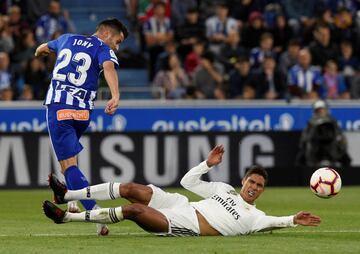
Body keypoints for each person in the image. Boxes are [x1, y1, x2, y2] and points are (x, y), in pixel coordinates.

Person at [43, 145, 321, 237]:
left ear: (262, 191)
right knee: (129, 188)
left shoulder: (255, 217)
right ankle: (67, 196)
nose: (254, 188)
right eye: (252, 182)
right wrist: (206, 164)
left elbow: (274, 222)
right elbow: (189, 182)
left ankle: (66, 218)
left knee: (133, 210)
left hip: (183, 223)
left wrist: (293, 219)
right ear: (244, 181)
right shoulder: (224, 189)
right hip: (180, 202)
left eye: (259, 186)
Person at [34, 18, 128, 235]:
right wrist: (115, 95)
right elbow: (108, 68)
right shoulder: (102, 48)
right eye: (117, 40)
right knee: (68, 162)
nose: (117, 46)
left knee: (69, 166)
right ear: (105, 33)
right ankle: (71, 201)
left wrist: (41, 53)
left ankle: (96, 213)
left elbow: (41, 48)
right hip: (83, 112)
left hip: (60, 108)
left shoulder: (65, 39)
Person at [296, 100, 351, 167]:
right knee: (300, 159)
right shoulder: (310, 124)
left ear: (326, 110)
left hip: (332, 151)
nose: (321, 112)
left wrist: (339, 147)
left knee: (347, 159)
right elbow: (304, 141)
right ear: (315, 111)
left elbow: (341, 138)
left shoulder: (333, 123)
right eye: (318, 110)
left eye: (322, 110)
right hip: (315, 153)